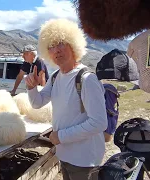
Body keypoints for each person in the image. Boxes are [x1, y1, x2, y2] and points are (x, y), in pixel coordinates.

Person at [25, 19, 108, 180]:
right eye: (51, 46)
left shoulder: (87, 78)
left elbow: (99, 123)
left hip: (85, 160)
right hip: (64, 155)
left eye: (61, 43)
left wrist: (60, 136)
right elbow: (37, 103)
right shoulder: (56, 77)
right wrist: (31, 87)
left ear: (73, 44)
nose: (56, 50)